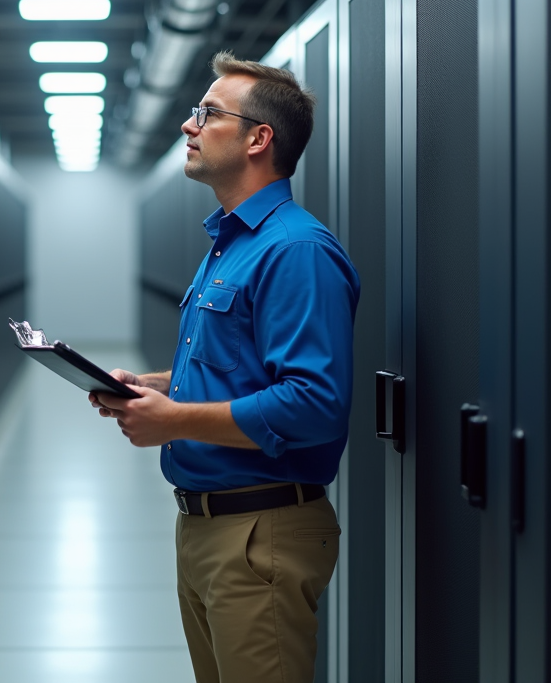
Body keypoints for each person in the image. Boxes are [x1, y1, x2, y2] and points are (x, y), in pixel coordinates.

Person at [91, 51, 360, 683]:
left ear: (258, 139)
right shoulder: (233, 243)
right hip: (209, 528)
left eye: (208, 113)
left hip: (260, 534)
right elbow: (242, 366)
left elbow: (315, 403)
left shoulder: (295, 250)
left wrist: (175, 419)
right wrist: (153, 386)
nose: (189, 125)